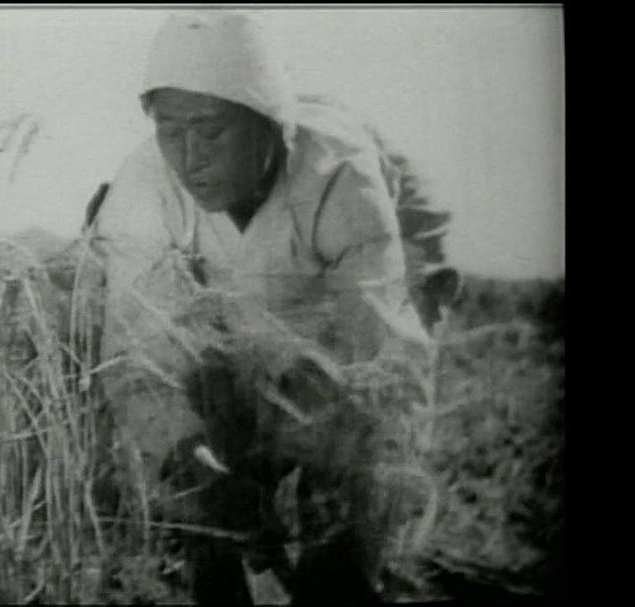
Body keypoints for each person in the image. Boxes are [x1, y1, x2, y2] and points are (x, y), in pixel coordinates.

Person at [88, 12, 444, 604]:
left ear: (271, 126)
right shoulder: (145, 186)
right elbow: (137, 357)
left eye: (211, 130)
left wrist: (339, 498)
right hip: (228, 343)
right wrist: (192, 460)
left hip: (333, 347)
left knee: (339, 541)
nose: (189, 157)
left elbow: (379, 366)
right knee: (207, 520)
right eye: (169, 129)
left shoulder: (339, 177)